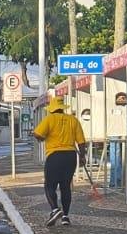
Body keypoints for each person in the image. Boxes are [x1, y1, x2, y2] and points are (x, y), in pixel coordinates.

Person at [33, 96, 87, 227]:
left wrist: (42, 137)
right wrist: (83, 157)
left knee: (49, 185)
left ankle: (55, 210)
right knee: (65, 186)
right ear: (62, 108)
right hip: (70, 156)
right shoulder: (73, 120)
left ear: (51, 109)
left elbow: (38, 134)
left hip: (55, 156)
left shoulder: (49, 119)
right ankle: (65, 217)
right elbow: (81, 141)